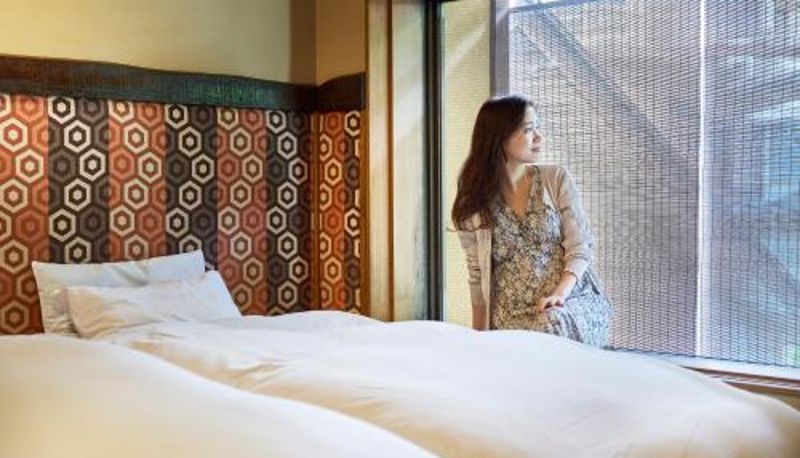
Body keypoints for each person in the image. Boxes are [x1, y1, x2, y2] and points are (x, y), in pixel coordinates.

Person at [452, 95, 611, 347]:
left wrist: (558, 296)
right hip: (512, 315)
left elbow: (580, 248)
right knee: (540, 334)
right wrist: (478, 342)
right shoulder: (474, 204)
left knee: (552, 324)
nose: (539, 137)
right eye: (528, 129)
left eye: (537, 127)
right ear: (499, 137)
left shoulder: (555, 179)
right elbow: (477, 275)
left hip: (570, 300)